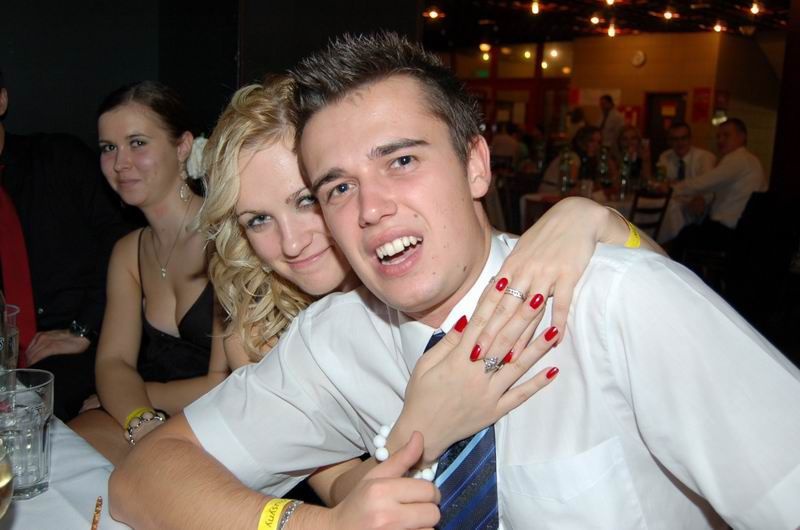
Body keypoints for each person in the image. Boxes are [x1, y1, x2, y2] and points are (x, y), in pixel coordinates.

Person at [112, 33, 800, 529]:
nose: (371, 208)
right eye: (338, 187)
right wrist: (319, 526)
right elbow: (141, 479)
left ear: (476, 165)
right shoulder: (336, 342)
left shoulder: (618, 305)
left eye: (401, 161)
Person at [198, 74, 659, 516]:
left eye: (306, 201)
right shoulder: (278, 338)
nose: (292, 243)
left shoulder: (463, 271)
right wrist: (419, 431)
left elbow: (663, 310)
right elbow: (339, 493)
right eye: (258, 220)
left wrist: (598, 221)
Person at [68, 82, 228, 466]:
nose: (120, 163)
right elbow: (113, 363)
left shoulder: (227, 238)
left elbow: (224, 382)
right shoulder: (129, 251)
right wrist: (140, 420)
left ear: (183, 146)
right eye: (108, 147)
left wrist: (140, 397)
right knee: (65, 456)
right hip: (144, 409)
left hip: (221, 414)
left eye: (137, 143)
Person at [0, 66, 135, 421]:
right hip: (9, 356)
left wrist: (84, 328)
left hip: (87, 341)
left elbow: (122, 240)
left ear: (2, 100)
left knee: (36, 414)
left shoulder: (58, 158)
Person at [670, 118, 767, 255]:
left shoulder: (739, 159)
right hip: (744, 233)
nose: (720, 140)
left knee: (682, 236)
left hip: (729, 233)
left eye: (726, 135)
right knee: (688, 231)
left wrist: (672, 188)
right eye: (718, 136)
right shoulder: (750, 160)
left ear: (742, 137)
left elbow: (705, 182)